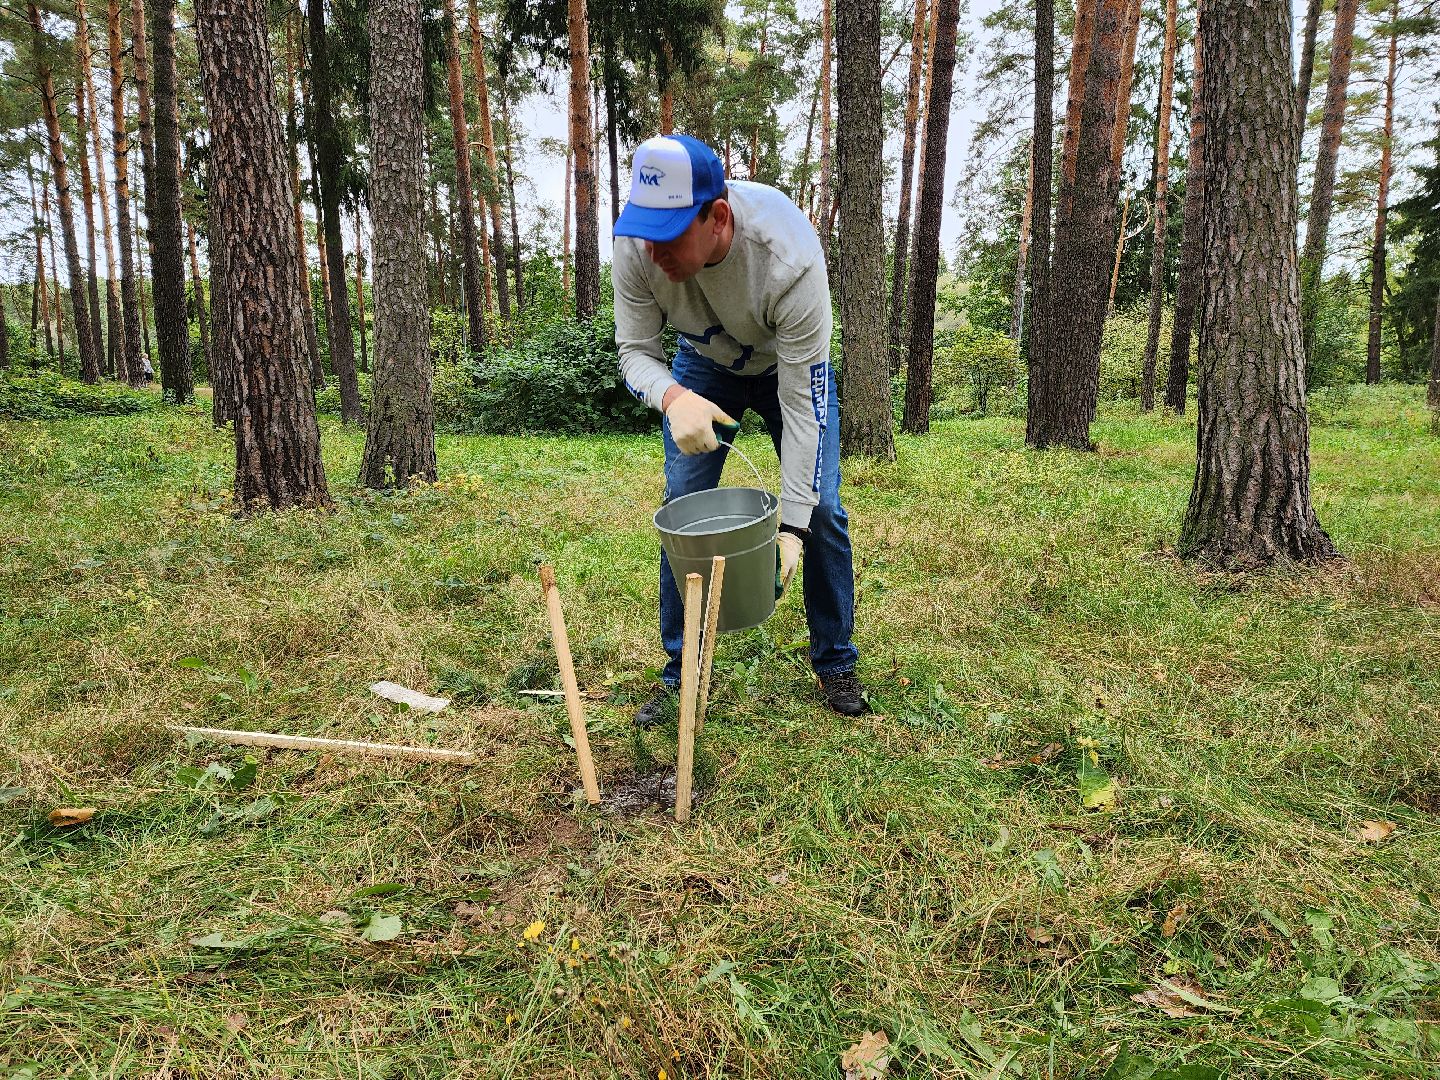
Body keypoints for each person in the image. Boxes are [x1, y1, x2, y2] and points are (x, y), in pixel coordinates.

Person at [612, 133, 867, 724]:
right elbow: (633, 351)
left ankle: (835, 661)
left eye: (669, 235)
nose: (653, 254)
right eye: (645, 233)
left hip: (788, 368)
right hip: (701, 368)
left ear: (717, 216)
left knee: (822, 509)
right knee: (683, 508)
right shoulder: (636, 244)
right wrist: (674, 397)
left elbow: (806, 409)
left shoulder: (788, 257)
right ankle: (682, 673)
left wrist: (791, 530)